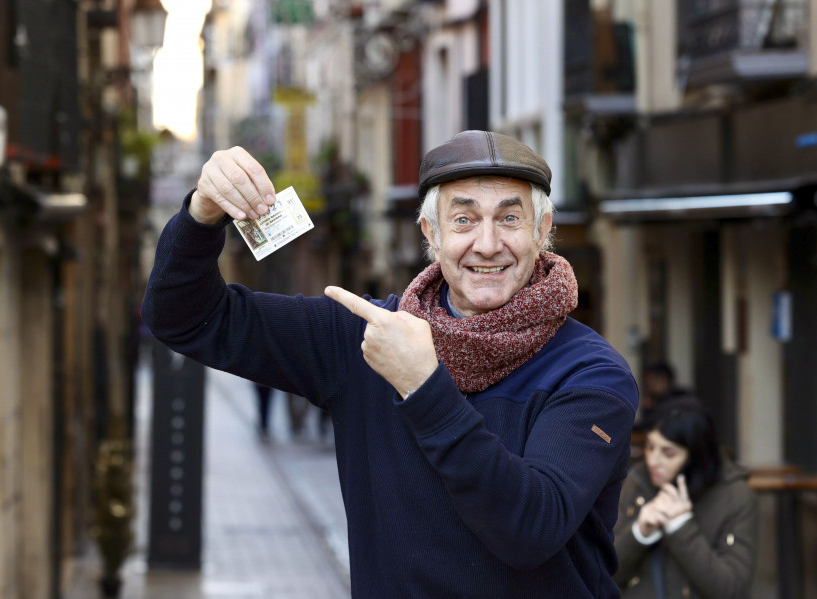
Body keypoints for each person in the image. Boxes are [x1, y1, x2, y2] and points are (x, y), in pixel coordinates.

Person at [142, 130, 639, 597]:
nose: (488, 244)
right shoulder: (364, 337)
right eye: (464, 219)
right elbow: (183, 317)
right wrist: (201, 215)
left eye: (510, 218)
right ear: (432, 232)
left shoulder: (591, 375)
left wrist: (423, 387)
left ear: (542, 230)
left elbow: (529, 529)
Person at [613, 397, 758, 598]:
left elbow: (731, 589)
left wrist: (680, 526)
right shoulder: (637, 480)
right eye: (650, 446)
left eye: (669, 453)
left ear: (695, 456)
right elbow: (606, 573)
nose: (653, 461)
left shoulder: (735, 495)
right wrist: (639, 532)